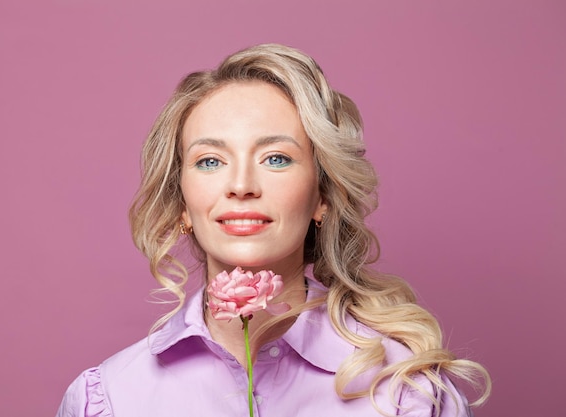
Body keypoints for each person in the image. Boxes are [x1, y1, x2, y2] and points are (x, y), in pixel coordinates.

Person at [56, 44, 490, 417]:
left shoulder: (406, 392)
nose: (241, 186)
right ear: (181, 204)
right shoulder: (109, 398)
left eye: (276, 158)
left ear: (322, 195)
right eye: (210, 161)